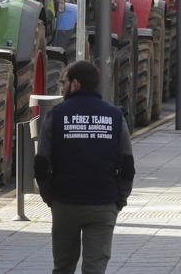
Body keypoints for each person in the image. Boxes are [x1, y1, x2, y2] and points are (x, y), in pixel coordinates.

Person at [34, 60, 134, 274]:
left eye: (64, 81)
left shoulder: (56, 115)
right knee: (95, 268)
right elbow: (127, 164)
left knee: (63, 267)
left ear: (76, 84)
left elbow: (41, 163)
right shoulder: (115, 116)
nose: (62, 87)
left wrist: (49, 196)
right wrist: (120, 199)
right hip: (103, 202)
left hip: (65, 203)